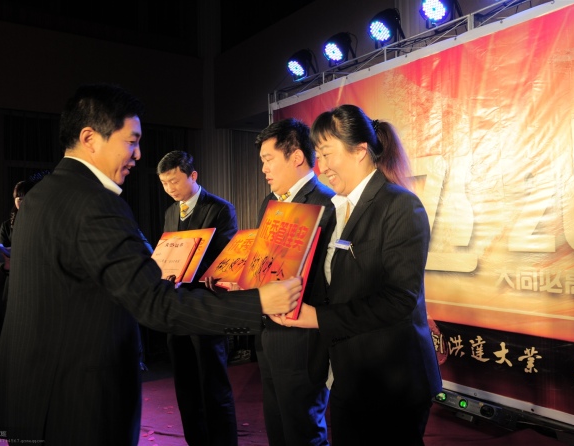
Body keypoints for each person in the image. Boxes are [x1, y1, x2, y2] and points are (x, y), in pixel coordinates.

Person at [0, 83, 301, 446]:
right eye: (131, 141)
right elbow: (155, 303)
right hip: (78, 406)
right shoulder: (96, 203)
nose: (138, 154)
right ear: (90, 138)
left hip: (30, 399)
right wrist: (259, 301)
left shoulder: (39, 196)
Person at [270, 104, 442, 446]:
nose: (321, 166)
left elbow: (399, 299)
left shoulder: (400, 206)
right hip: (349, 374)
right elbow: (334, 285)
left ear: (360, 150)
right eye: (319, 155)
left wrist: (318, 318)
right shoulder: (336, 210)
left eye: (327, 154)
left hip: (392, 380)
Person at [254, 118, 336, 446]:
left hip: (303, 338)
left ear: (297, 157)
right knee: (277, 426)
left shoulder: (327, 203)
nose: (263, 169)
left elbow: (330, 280)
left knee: (303, 430)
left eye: (268, 159)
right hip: (269, 333)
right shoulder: (269, 202)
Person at [157, 150, 239, 446]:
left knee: (213, 383)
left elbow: (227, 257)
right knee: (185, 384)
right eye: (164, 183)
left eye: (174, 181)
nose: (170, 188)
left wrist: (198, 269)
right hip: (178, 306)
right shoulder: (170, 212)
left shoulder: (220, 209)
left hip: (206, 307)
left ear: (193, 176)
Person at [0, 172, 47, 323]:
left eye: (26, 198)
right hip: (13, 282)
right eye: (19, 199)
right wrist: (5, 265)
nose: (22, 202)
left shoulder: (41, 222)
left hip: (35, 281)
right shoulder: (6, 226)